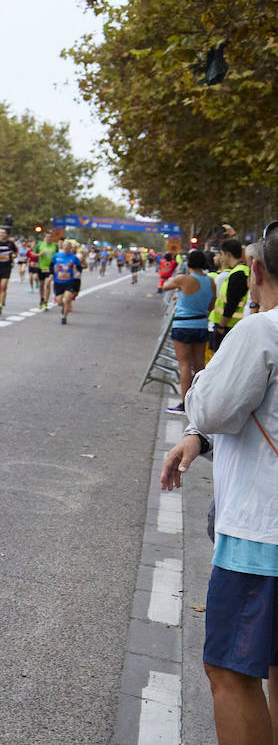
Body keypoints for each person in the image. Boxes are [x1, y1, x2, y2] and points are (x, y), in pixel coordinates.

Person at [159, 227, 278, 745]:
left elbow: (209, 406)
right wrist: (198, 440)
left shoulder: (260, 332)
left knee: (230, 674)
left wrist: (200, 397)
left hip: (262, 537)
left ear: (255, 271)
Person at [161, 248, 214, 414]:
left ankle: (185, 403)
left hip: (183, 325)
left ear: (188, 263)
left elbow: (164, 286)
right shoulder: (210, 281)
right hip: (201, 325)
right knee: (199, 364)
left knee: (184, 365)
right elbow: (211, 306)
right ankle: (201, 401)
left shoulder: (183, 279)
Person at [207, 238, 249, 355]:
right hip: (230, 326)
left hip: (228, 327)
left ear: (228, 254)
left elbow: (232, 303)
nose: (220, 257)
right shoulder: (240, 271)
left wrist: (221, 326)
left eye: (221, 254)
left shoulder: (238, 274)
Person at [35, 232, 57, 309]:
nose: (49, 238)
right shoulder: (40, 245)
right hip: (41, 267)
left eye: (50, 237)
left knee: (47, 284)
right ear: (44, 237)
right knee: (41, 285)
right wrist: (39, 254)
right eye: (47, 237)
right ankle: (42, 299)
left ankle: (46, 301)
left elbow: (57, 255)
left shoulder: (55, 245)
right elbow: (33, 254)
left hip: (50, 268)